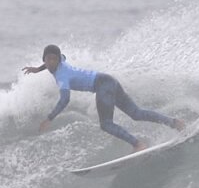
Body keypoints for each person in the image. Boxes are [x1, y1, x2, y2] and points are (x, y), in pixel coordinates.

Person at [24, 44, 185, 152]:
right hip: (109, 80)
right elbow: (59, 57)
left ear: (58, 59)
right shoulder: (61, 61)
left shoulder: (61, 76)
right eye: (48, 59)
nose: (51, 62)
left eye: (54, 59)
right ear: (44, 59)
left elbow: (65, 99)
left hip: (102, 86)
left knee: (106, 124)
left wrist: (50, 118)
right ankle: (175, 123)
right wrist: (38, 69)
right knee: (136, 113)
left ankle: (138, 145)